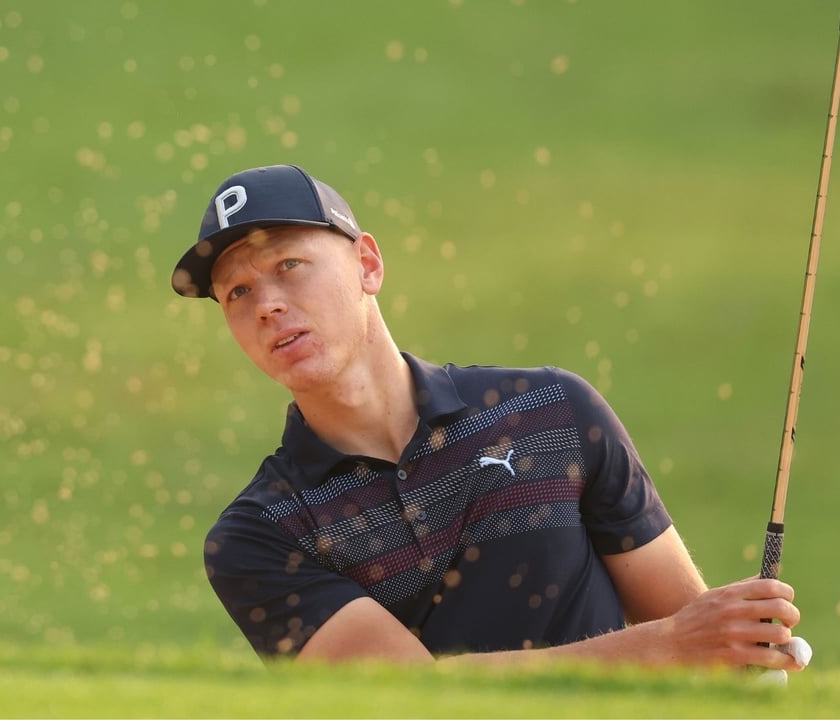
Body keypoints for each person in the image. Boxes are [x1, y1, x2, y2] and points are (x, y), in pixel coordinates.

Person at [172, 164, 806, 671]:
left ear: (367, 264)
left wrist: (740, 647)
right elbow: (410, 700)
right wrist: (666, 647)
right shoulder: (259, 536)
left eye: (288, 265)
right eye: (238, 292)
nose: (267, 307)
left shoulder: (551, 409)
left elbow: (694, 634)